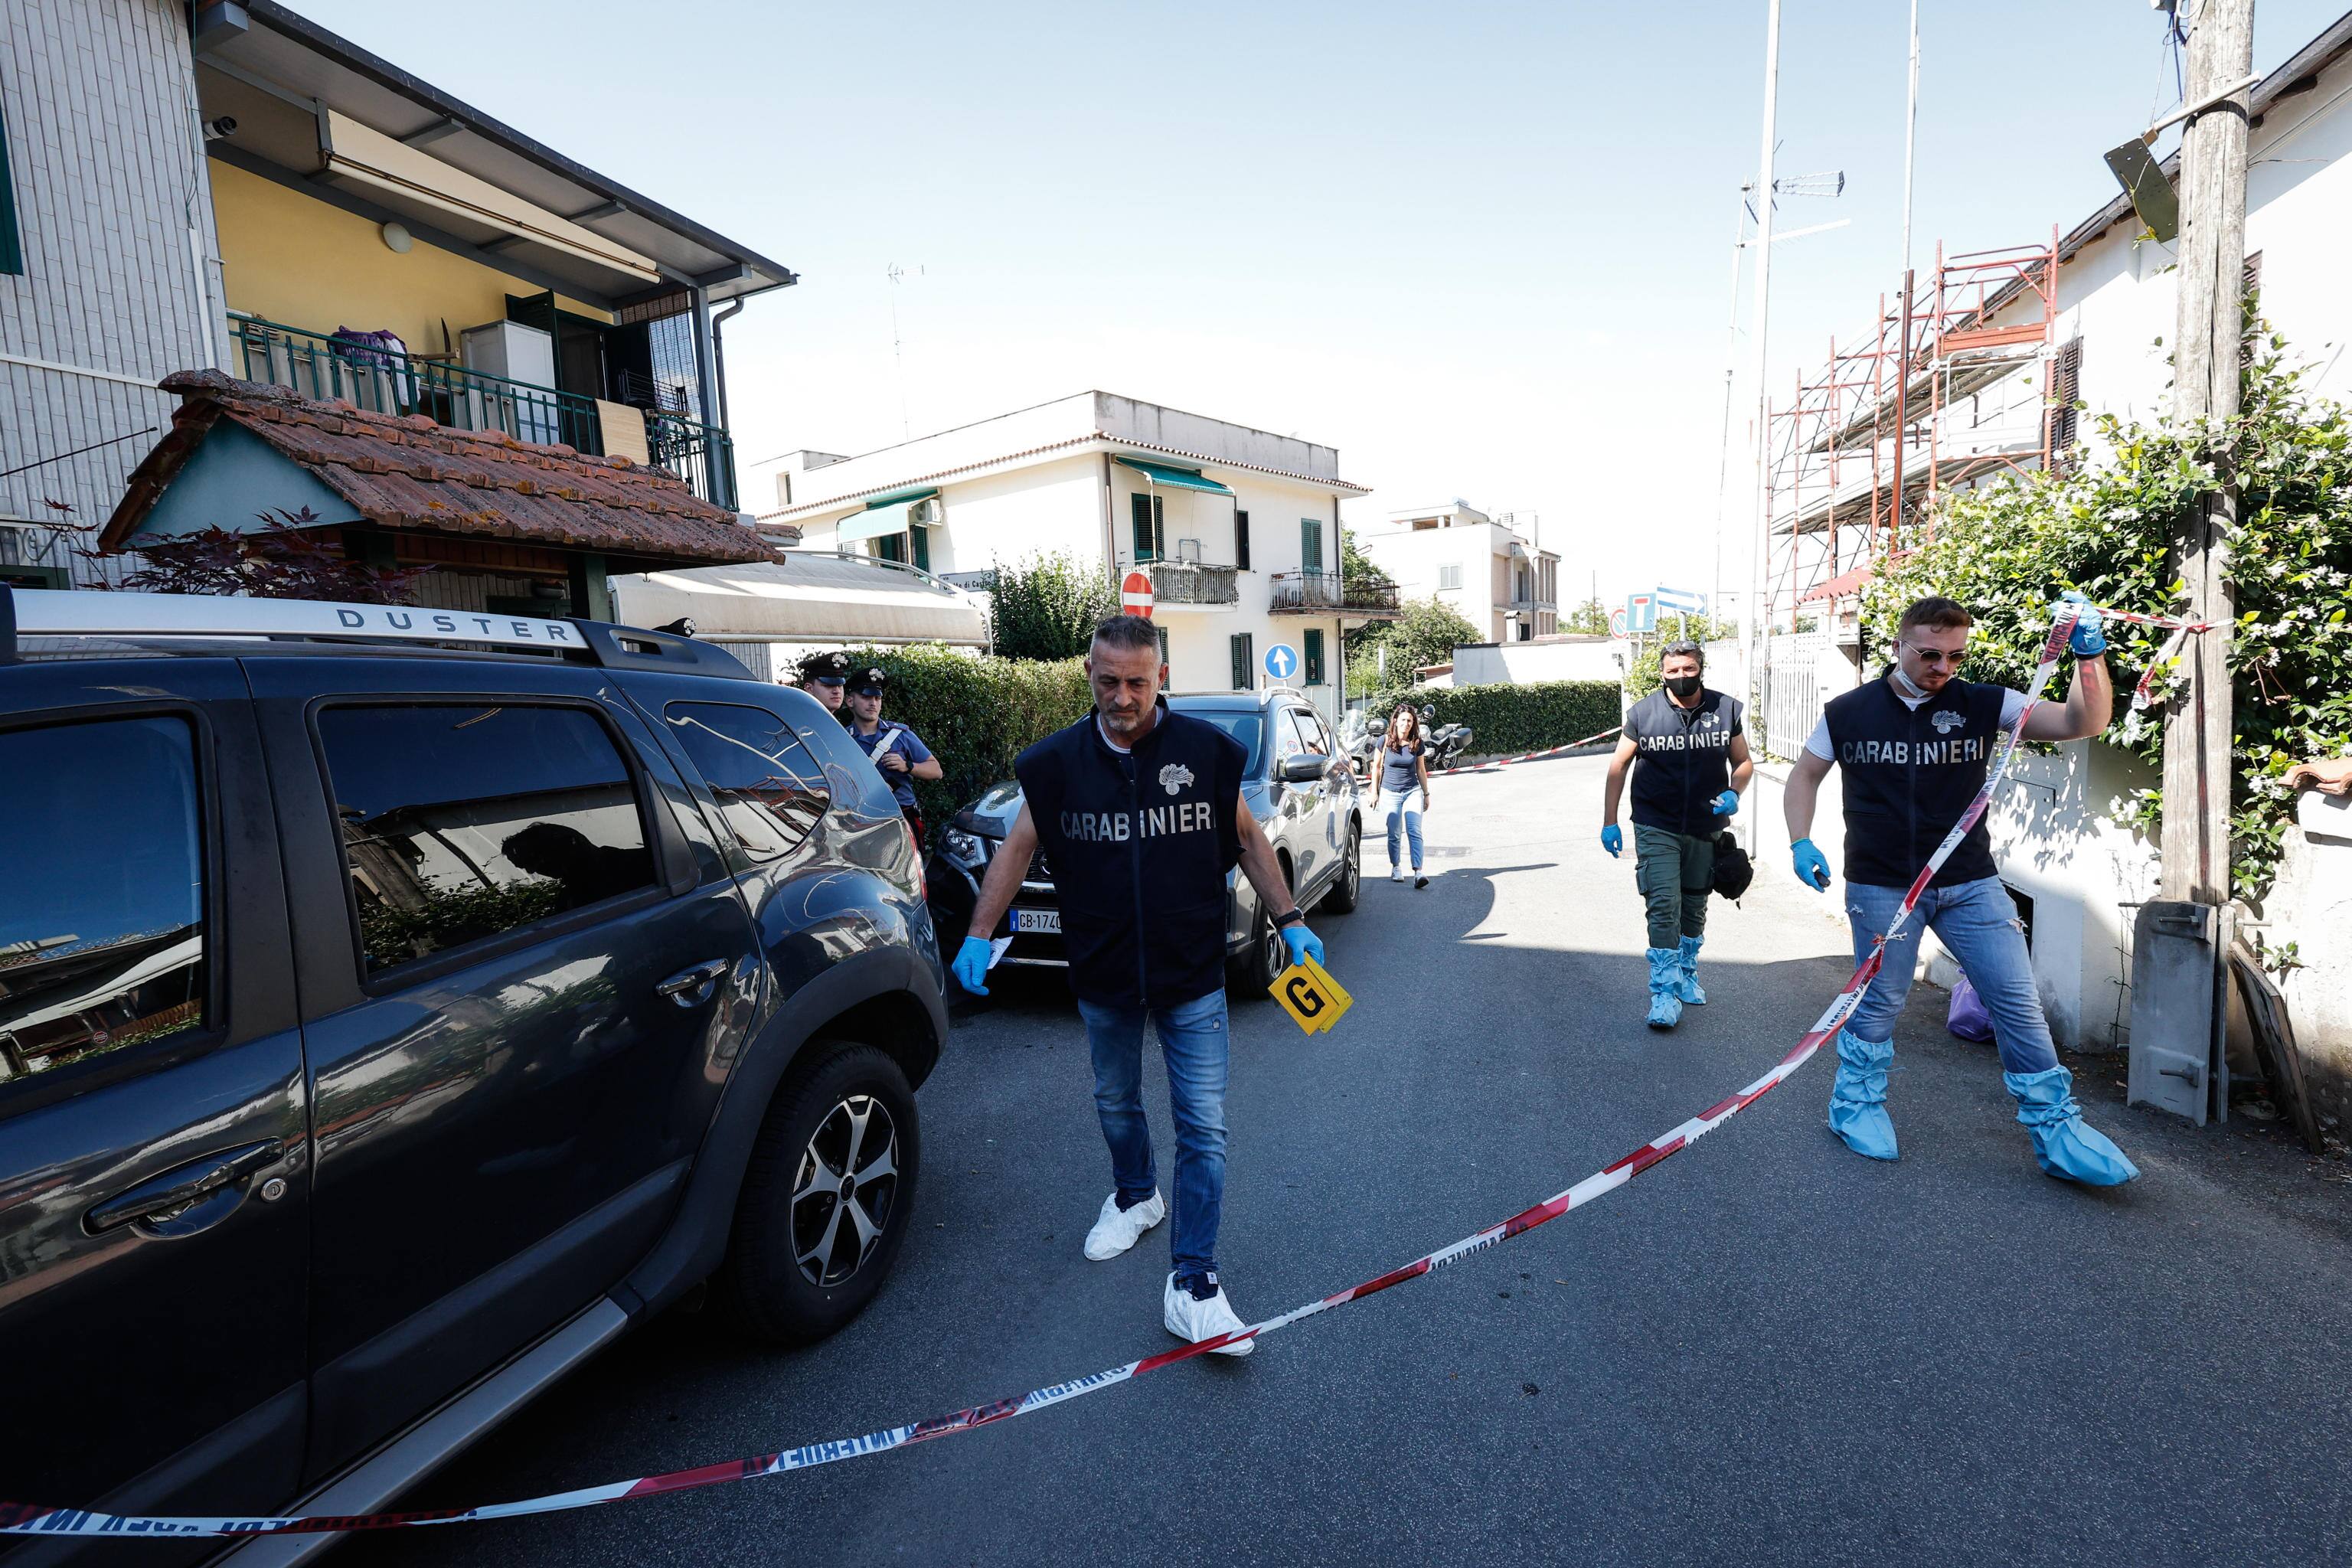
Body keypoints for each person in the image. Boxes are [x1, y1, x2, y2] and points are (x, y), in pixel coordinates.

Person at [949, 613, 1325, 1354]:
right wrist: (977, 934)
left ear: (1161, 680)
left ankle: (1193, 1284)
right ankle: (1135, 1196)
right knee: (1116, 1099)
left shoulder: (1206, 754)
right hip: (1104, 972)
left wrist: (1290, 917)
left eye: (1137, 683)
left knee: (1205, 1129)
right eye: (1107, 681)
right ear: (1090, 676)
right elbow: (1018, 848)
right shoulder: (1057, 764)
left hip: (1192, 974)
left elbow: (1249, 838)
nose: (1122, 696)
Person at [1782, 592, 2138, 1185]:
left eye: (1954, 656)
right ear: (1898, 646)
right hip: (1881, 886)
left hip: (1971, 883)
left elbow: (2083, 722)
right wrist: (1799, 838)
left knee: (2017, 1005)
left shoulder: (1984, 704)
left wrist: (2088, 657)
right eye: (1928, 654)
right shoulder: (1847, 711)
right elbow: (1805, 773)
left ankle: (2056, 1129)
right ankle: (1855, 1108)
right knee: (1880, 1003)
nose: (1943, 668)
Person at [1600, 640, 1752, 1029]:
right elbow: (1618, 767)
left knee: (1695, 902)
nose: (1681, 677)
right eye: (1672, 671)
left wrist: (1734, 792)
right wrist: (1609, 821)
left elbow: (1744, 762)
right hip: (1656, 823)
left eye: (1688, 669)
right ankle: (1664, 991)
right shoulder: (1643, 714)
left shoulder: (1726, 709)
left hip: (1706, 825)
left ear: (1700, 667)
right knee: (1664, 901)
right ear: (1662, 673)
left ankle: (1687, 972)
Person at [844, 666, 942, 841]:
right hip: (861, 821)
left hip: (902, 818)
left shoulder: (900, 734)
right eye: (866, 697)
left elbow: (936, 771)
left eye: (877, 698)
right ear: (850, 701)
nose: (873, 703)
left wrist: (908, 766)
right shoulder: (842, 738)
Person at [1377, 705, 1433, 888]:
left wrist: (1426, 794)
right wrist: (1373, 791)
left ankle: (1418, 872)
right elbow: (1376, 767)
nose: (1406, 724)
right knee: (1394, 833)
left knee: (1414, 830)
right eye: (1403, 720)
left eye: (1409, 721)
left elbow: (1421, 770)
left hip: (1412, 791)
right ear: (1395, 721)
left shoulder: (1417, 743)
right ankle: (1396, 867)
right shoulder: (1384, 741)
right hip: (1389, 792)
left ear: (1413, 723)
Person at [795, 650, 852, 720]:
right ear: (809, 688)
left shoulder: (833, 725)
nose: (837, 691)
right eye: (828, 686)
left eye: (840, 685)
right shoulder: (801, 724)